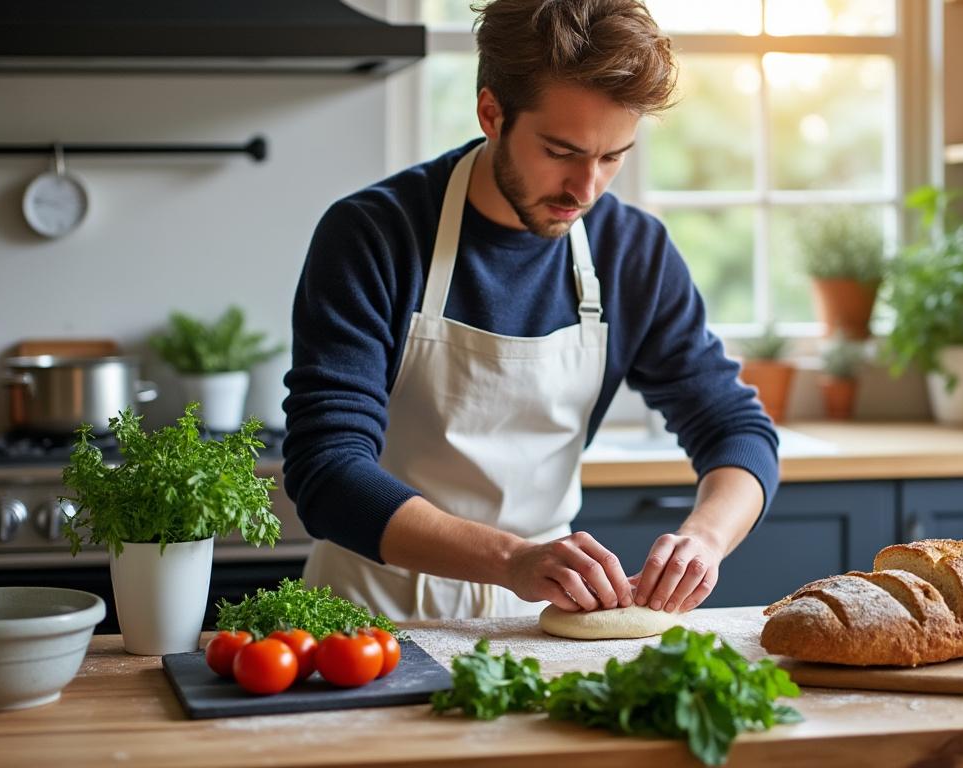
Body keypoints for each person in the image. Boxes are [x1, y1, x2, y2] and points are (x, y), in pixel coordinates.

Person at [282, 0, 779, 622]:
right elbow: (325, 472)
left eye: (613, 156)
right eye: (561, 150)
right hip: (368, 619)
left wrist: (705, 540)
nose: (586, 188)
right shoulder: (374, 235)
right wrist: (511, 560)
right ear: (492, 113)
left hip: (543, 622)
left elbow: (737, 428)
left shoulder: (632, 252)